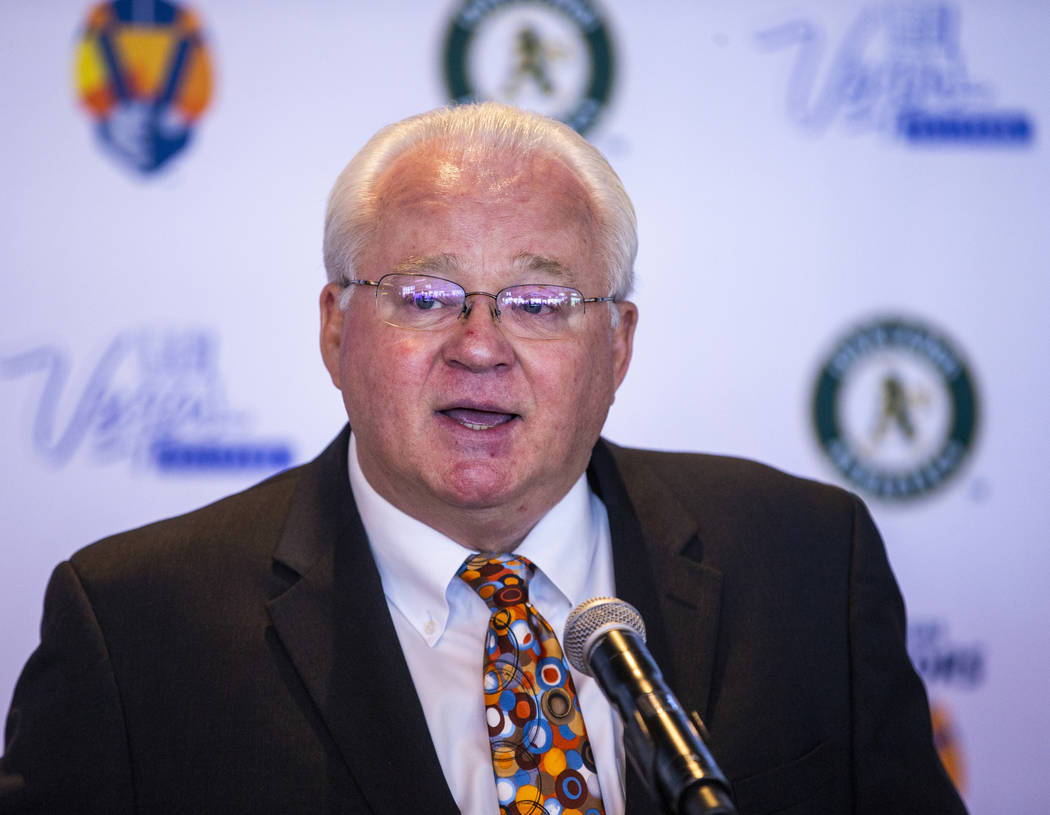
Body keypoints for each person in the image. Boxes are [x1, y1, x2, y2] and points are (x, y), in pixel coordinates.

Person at [0, 103, 966, 815]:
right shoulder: (132, 627)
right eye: (424, 293)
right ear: (336, 328)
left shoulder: (806, 561)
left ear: (618, 346)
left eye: (539, 303)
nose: (479, 344)